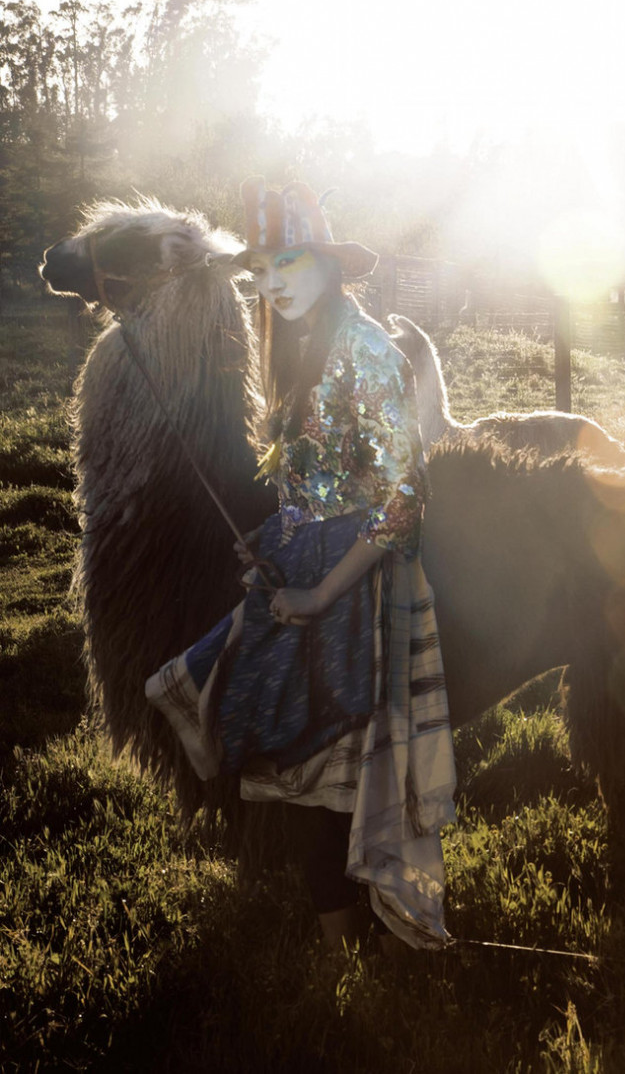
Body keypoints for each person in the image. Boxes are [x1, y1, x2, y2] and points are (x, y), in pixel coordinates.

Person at [145, 180, 457, 951]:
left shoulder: (367, 353)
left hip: (358, 581)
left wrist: (321, 591)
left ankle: (342, 962)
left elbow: (405, 496)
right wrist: (273, 532)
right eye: (259, 267)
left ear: (328, 264)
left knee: (321, 776)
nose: (272, 280)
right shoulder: (292, 347)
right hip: (300, 565)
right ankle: (339, 947)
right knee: (282, 759)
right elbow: (313, 476)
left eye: (288, 260)